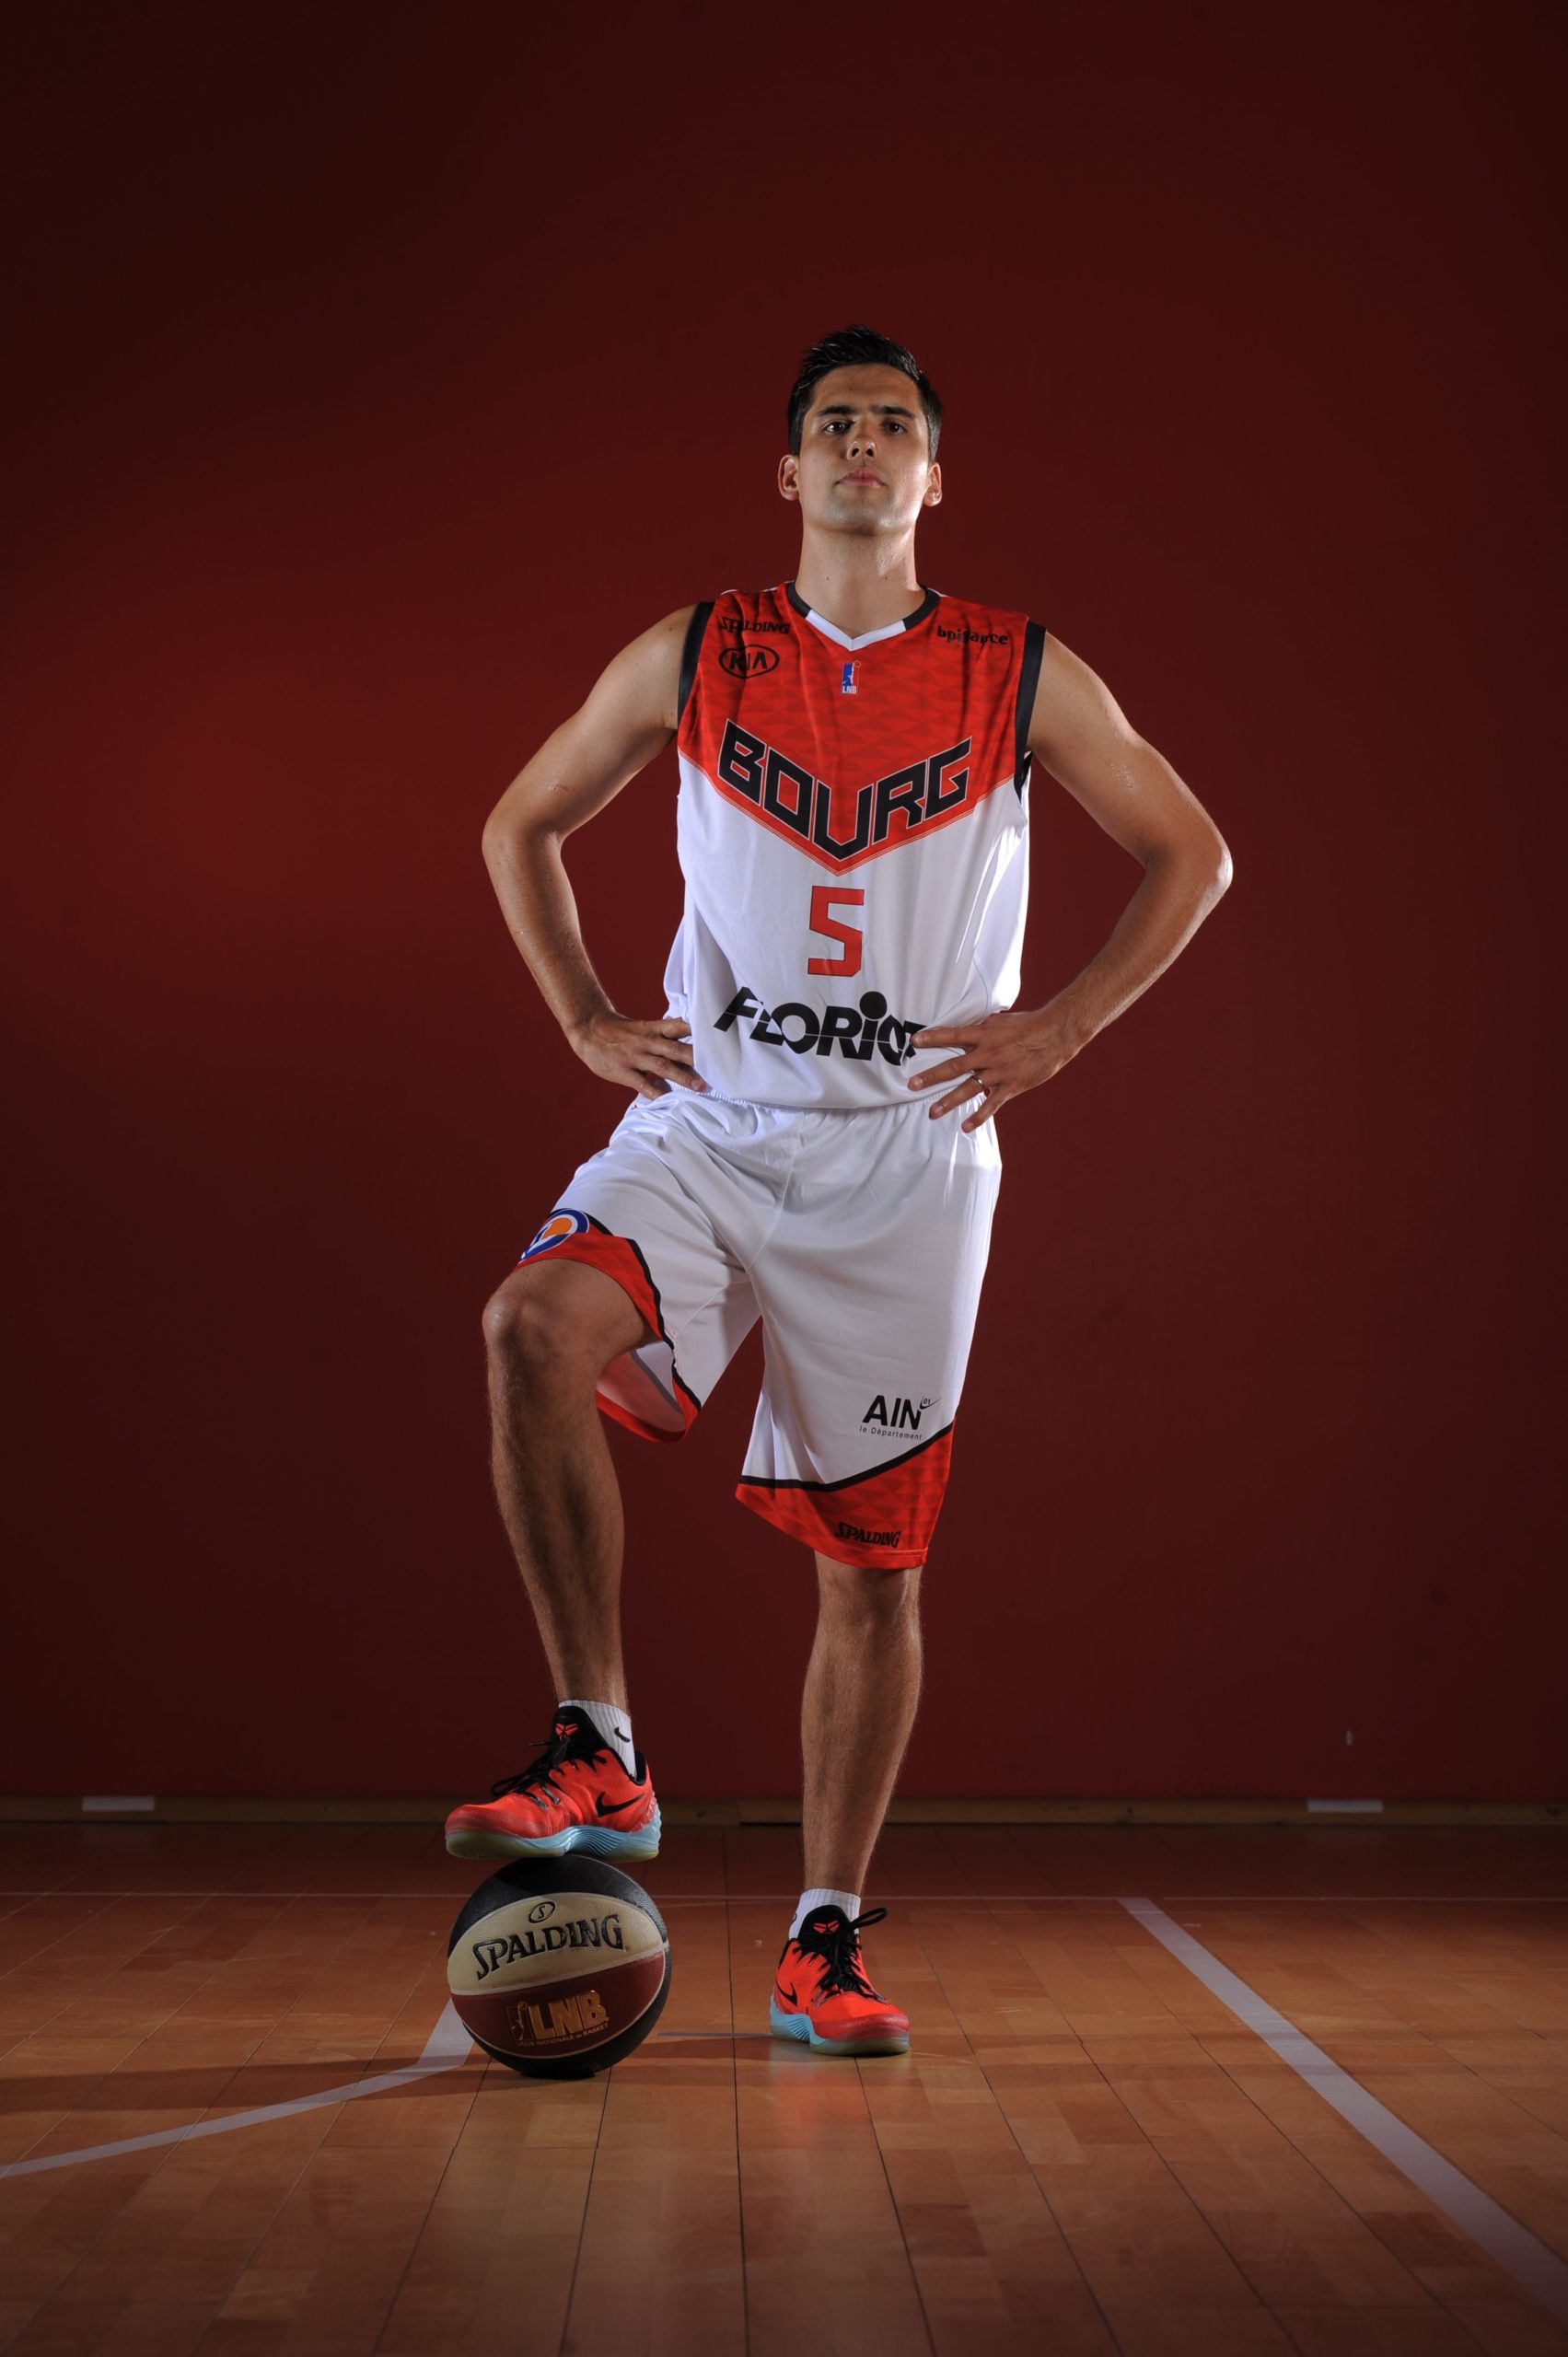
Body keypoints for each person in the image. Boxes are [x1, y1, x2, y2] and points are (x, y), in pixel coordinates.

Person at [445, 325, 1233, 2057]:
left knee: (873, 1575)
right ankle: (602, 1746)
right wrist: (582, 1014)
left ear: (935, 475)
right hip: (718, 1122)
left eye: (892, 425)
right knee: (527, 1331)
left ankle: (822, 1940)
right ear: (789, 470)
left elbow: (1197, 850)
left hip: (907, 1158)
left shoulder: (1020, 670)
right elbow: (520, 824)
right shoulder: (697, 652)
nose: (862, 444)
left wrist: (1064, 1026)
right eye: (833, 424)